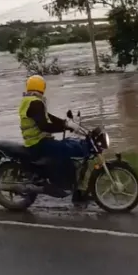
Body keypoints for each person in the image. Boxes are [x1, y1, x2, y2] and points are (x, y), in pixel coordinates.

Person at [19, 74, 89, 205]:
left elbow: (48, 117)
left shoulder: (29, 100)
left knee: (67, 146)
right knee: (65, 150)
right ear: (41, 87)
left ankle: (73, 189)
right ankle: (61, 185)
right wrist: (65, 127)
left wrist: (66, 123)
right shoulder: (34, 102)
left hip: (36, 141)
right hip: (37, 143)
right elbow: (44, 125)